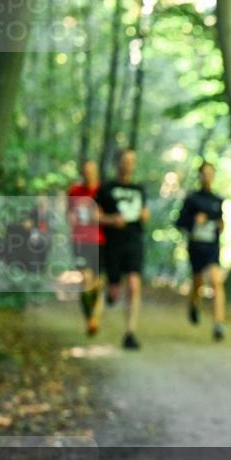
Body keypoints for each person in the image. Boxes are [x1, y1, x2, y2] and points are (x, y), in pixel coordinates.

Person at [97, 148, 150, 350]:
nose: (128, 164)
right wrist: (111, 220)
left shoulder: (139, 189)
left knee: (135, 285)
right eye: (125, 160)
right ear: (117, 162)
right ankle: (111, 293)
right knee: (114, 289)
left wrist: (145, 216)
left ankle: (130, 332)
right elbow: (94, 215)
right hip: (112, 244)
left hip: (134, 241)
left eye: (132, 160)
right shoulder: (107, 188)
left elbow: (145, 212)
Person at [175, 161, 226, 341]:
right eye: (205, 173)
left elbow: (221, 223)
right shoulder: (192, 199)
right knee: (198, 282)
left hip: (212, 247)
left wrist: (220, 225)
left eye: (211, 173)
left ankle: (218, 323)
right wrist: (194, 221)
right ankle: (194, 304)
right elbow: (179, 223)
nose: (208, 176)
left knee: (216, 281)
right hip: (196, 247)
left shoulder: (218, 200)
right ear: (200, 176)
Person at [67, 159, 105, 336]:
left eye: (92, 170)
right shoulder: (74, 191)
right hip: (80, 240)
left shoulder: (103, 191)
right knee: (85, 279)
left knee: (96, 283)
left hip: (100, 241)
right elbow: (69, 214)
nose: (88, 174)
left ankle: (94, 318)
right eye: (85, 171)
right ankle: (90, 319)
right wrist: (71, 218)